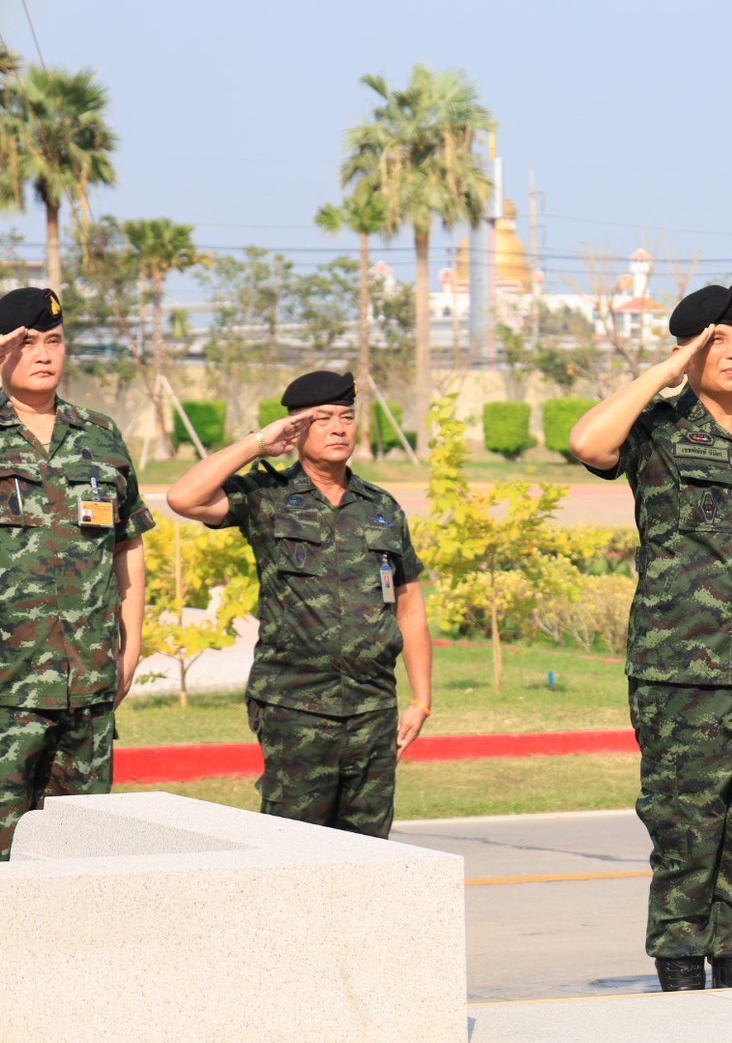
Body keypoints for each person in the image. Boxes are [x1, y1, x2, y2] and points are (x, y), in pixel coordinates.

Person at [568, 283, 732, 992]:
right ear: (687, 352)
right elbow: (587, 442)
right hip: (684, 676)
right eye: (717, 341)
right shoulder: (657, 428)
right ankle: (681, 991)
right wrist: (664, 374)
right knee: (686, 837)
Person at [165, 370, 432, 840]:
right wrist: (256, 444)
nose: (338, 428)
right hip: (295, 707)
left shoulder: (381, 507)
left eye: (346, 417)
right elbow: (183, 498)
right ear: (295, 429)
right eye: (322, 419)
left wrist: (421, 700)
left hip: (373, 708)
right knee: (293, 845)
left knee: (369, 848)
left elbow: (409, 607)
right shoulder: (267, 496)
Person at [0, 287, 152, 860]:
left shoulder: (99, 435)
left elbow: (128, 542)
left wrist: (132, 643)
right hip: (7, 687)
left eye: (54, 341)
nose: (43, 354)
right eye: (25, 343)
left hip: (88, 682)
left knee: (82, 852)